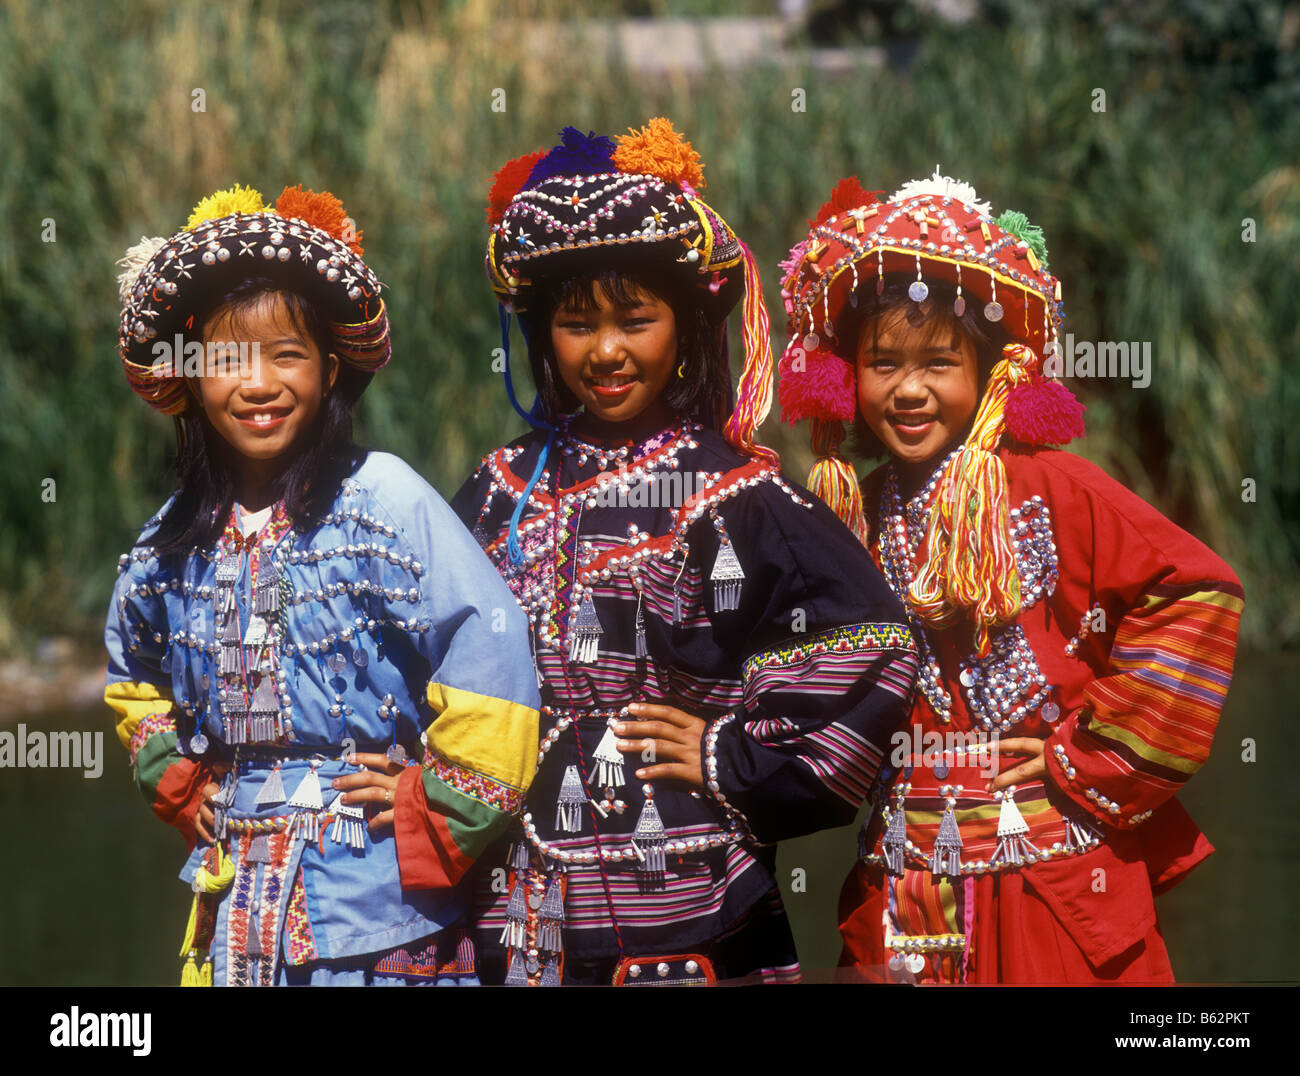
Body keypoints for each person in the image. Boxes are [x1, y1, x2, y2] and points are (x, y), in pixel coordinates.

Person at [452, 120, 918, 986]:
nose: (607, 351)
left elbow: (875, 651)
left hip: (697, 913)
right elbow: (423, 651)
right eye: (576, 322)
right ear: (542, 334)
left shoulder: (733, 493)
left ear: (686, 326)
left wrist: (725, 751)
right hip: (517, 917)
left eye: (637, 319)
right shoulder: (498, 487)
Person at [776, 170, 1244, 983]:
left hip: (1051, 884)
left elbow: (1196, 592)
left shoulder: (1056, 486)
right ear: (849, 375)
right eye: (883, 362)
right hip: (906, 887)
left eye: (939, 363)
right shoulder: (850, 509)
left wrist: (1090, 752)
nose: (910, 388)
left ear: (991, 373)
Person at [106, 183, 540, 985]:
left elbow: (493, 643)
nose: (258, 384)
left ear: (331, 367)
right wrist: (178, 779)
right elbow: (131, 673)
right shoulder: (175, 533)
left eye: (287, 355)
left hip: (377, 902)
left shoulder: (383, 497)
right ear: (192, 377)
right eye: (229, 361)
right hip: (232, 897)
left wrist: (435, 800)